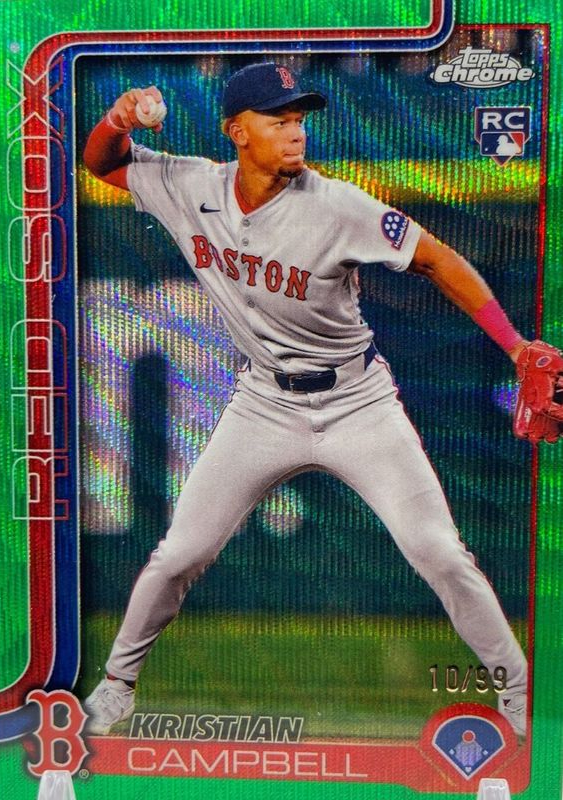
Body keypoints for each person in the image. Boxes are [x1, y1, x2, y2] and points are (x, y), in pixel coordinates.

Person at [83, 62, 529, 738]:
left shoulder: (338, 205)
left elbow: (437, 258)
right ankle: (116, 686)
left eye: (299, 120)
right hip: (262, 404)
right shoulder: (190, 186)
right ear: (238, 132)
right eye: (278, 121)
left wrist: (516, 346)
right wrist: (117, 121)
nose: (296, 133)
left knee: (438, 550)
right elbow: (103, 164)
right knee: (178, 554)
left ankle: (517, 692)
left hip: (358, 404)